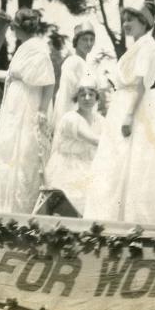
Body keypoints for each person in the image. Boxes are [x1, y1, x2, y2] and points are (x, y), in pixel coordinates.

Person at [84, 1, 155, 224]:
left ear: (144, 22)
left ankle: (129, 220)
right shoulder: (138, 45)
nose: (126, 24)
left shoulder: (147, 46)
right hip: (123, 103)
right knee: (116, 160)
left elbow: (140, 84)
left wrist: (129, 115)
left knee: (131, 160)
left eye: (131, 20)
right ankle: (109, 218)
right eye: (125, 20)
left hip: (134, 106)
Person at [0, 8, 55, 214]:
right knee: (6, 150)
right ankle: (0, 206)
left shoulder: (38, 48)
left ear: (20, 28)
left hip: (27, 105)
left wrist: (43, 110)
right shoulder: (24, 48)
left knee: (23, 153)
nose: (13, 32)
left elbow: (49, 82)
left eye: (14, 28)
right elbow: (10, 75)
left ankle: (18, 209)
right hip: (14, 105)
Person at [44, 78, 104, 214]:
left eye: (91, 95)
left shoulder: (100, 120)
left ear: (96, 98)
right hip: (67, 164)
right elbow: (94, 140)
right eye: (82, 95)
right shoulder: (70, 118)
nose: (87, 98)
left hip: (88, 163)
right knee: (85, 189)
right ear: (77, 98)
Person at [52, 21, 96, 131]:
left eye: (91, 39)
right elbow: (65, 95)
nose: (89, 43)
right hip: (74, 119)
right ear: (76, 41)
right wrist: (63, 125)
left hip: (87, 116)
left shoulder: (88, 65)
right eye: (85, 39)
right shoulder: (72, 62)